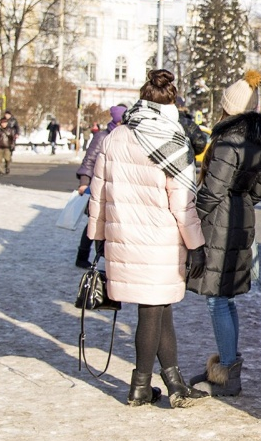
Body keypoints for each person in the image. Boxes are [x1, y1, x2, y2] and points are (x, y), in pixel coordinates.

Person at [87, 69, 207, 408]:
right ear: (171, 105)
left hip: (124, 236)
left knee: (160, 308)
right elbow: (182, 203)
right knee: (152, 312)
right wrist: (196, 245)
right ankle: (139, 387)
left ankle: (175, 384)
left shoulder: (115, 137)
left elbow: (99, 193)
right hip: (160, 241)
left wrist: (98, 236)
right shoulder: (173, 139)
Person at [186, 70, 261, 396]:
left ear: (228, 108)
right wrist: (241, 200)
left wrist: (192, 221)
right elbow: (260, 190)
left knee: (216, 300)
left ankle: (227, 373)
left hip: (219, 224)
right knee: (225, 298)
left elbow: (211, 191)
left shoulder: (227, 141)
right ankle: (227, 365)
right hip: (241, 219)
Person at [74, 104, 126, 269]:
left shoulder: (124, 136)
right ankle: (82, 256)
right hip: (98, 186)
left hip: (114, 186)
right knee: (95, 220)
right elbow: (89, 160)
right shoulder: (102, 136)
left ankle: (106, 257)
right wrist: (84, 183)